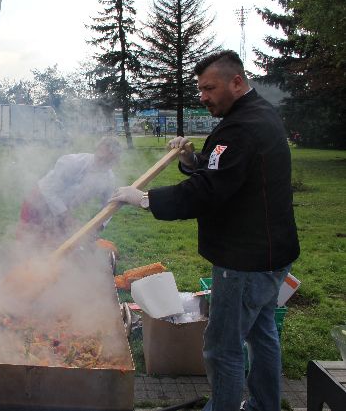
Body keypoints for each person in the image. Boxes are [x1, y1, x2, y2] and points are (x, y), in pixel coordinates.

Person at [110, 50, 299, 411]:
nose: (203, 97)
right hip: (272, 253)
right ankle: (263, 405)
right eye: (200, 89)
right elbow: (228, 177)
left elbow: (208, 193)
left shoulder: (242, 127)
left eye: (209, 88)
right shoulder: (257, 115)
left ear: (237, 82)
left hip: (245, 259)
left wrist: (146, 199)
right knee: (262, 334)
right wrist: (191, 161)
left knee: (223, 346)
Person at [17, 136, 123, 246]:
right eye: (101, 158)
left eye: (108, 161)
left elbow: (109, 205)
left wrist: (98, 226)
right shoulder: (72, 162)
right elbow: (49, 190)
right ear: (97, 150)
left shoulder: (109, 178)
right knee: (28, 241)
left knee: (57, 245)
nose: (103, 163)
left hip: (63, 208)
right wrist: (67, 217)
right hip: (39, 200)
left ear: (115, 161)